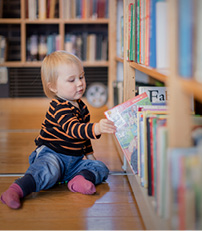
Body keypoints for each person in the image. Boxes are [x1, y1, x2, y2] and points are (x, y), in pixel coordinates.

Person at [1, 50, 117, 209]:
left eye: (81, 77)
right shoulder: (58, 107)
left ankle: (78, 180)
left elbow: (83, 138)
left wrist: (90, 156)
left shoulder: (82, 107)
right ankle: (17, 189)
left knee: (100, 168)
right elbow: (73, 129)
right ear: (53, 87)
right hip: (52, 155)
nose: (79, 83)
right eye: (72, 80)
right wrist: (96, 127)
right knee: (48, 170)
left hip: (73, 162)